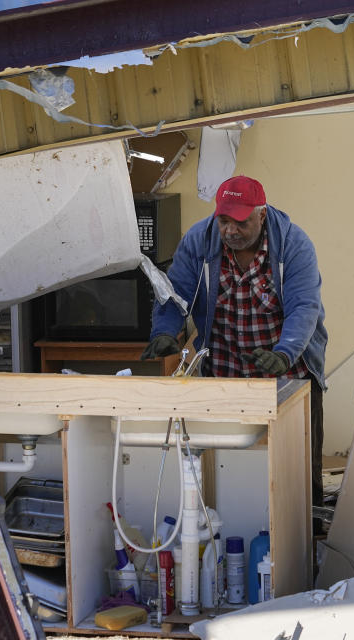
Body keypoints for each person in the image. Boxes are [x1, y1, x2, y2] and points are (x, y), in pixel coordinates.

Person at [141, 175, 327, 533]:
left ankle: (307, 542)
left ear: (262, 213)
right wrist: (165, 332)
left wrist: (285, 353)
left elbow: (306, 307)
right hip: (224, 362)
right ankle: (228, 531)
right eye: (224, 220)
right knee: (227, 462)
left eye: (241, 221)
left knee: (299, 468)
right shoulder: (199, 240)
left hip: (288, 368)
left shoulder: (294, 244)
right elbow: (174, 292)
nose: (231, 230)